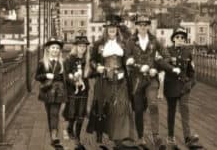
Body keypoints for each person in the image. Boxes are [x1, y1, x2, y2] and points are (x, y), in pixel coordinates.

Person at [87, 14, 136, 150]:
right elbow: (92, 60)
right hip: (104, 79)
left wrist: (129, 61)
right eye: (109, 28)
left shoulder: (123, 43)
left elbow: (128, 58)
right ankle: (101, 134)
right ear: (106, 29)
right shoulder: (99, 44)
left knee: (121, 107)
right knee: (103, 107)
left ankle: (119, 138)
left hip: (120, 79)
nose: (112, 29)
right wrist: (97, 66)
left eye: (114, 27)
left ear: (117, 29)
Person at [126, 14, 171, 150]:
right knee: (138, 109)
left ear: (148, 26)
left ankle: (156, 136)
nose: (143, 27)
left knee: (153, 104)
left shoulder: (154, 40)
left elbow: (167, 56)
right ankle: (140, 137)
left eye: (145, 25)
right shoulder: (131, 41)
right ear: (136, 26)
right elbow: (127, 60)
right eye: (140, 25)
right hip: (137, 80)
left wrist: (156, 68)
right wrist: (138, 67)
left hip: (151, 79)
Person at [163, 27, 201, 149]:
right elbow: (163, 65)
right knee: (171, 111)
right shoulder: (167, 51)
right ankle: (170, 137)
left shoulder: (187, 52)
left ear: (185, 40)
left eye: (182, 38)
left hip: (184, 86)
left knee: (185, 110)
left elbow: (192, 72)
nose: (180, 39)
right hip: (171, 85)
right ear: (173, 38)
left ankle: (187, 137)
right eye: (177, 37)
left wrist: (190, 84)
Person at [35, 37, 66, 149]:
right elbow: (37, 77)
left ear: (59, 50)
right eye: (53, 47)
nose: (55, 50)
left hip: (59, 91)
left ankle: (54, 135)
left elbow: (64, 78)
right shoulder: (42, 62)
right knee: (49, 113)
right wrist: (45, 76)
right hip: (47, 91)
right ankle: (52, 132)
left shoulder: (62, 63)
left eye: (57, 48)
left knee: (54, 113)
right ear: (48, 49)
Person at [63, 35, 91, 150]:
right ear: (76, 46)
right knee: (72, 113)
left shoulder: (88, 59)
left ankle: (77, 139)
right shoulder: (69, 59)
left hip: (84, 90)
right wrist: (73, 80)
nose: (82, 48)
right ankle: (70, 126)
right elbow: (65, 75)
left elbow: (92, 73)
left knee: (81, 115)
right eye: (80, 46)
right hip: (72, 91)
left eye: (84, 46)